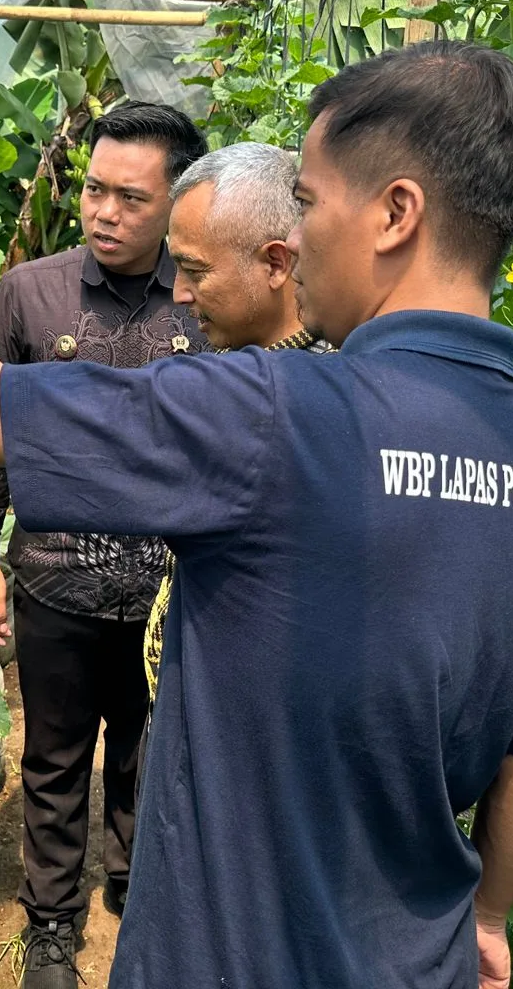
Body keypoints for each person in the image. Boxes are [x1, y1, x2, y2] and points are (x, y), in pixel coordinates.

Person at [0, 41, 513, 989]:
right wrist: (487, 918)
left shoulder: (278, 412)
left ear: (394, 213)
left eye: (313, 201)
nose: (300, 234)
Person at [0, 101, 208, 986]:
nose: (103, 211)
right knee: (55, 756)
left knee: (152, 747)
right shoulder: (32, 292)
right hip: (53, 576)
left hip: (172, 589)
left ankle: (136, 889)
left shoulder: (204, 301)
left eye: (130, 199)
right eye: (95, 190)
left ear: (178, 204)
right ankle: (53, 924)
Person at [144, 141, 327, 700]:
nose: (178, 293)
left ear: (277, 263)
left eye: (194, 270)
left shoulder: (313, 403)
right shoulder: (235, 365)